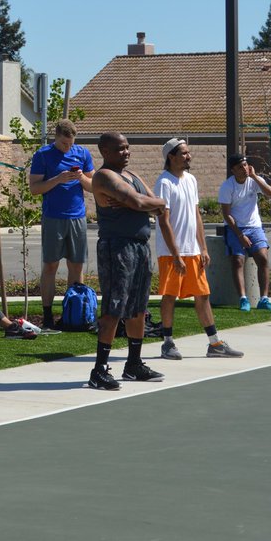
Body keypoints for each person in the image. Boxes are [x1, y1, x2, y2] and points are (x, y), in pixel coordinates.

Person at [86, 132, 167, 390]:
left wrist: (149, 203)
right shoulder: (103, 176)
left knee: (137, 309)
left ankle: (133, 364)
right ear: (105, 152)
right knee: (114, 308)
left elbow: (155, 204)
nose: (126, 152)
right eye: (120, 149)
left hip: (140, 247)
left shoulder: (132, 177)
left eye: (127, 147)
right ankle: (99, 370)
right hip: (117, 247)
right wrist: (142, 203)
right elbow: (138, 201)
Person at [154, 140, 243, 360]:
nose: (188, 156)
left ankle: (215, 344)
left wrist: (203, 247)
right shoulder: (163, 183)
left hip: (193, 252)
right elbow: (164, 222)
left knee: (202, 295)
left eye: (188, 152)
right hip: (170, 253)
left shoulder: (192, 180)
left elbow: (196, 216)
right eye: (183, 153)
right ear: (171, 157)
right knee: (169, 296)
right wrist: (175, 255)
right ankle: (167, 343)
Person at [28, 120, 95, 330]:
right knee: (50, 265)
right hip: (53, 217)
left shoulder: (82, 154)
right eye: (64, 143)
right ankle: (47, 314)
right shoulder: (42, 155)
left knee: (76, 265)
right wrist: (59, 179)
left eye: (71, 143)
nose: (68, 147)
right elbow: (35, 189)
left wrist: (81, 177)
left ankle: (72, 312)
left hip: (77, 217)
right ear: (56, 137)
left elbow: (93, 186)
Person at [218, 153, 271, 312]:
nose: (244, 169)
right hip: (235, 227)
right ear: (233, 170)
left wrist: (255, 176)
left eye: (245, 165)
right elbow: (226, 214)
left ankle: (264, 300)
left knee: (263, 259)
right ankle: (243, 299)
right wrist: (240, 235)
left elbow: (270, 193)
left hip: (254, 227)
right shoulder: (227, 186)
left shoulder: (253, 181)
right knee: (238, 260)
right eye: (240, 167)